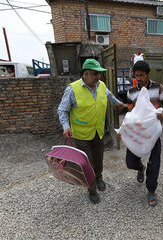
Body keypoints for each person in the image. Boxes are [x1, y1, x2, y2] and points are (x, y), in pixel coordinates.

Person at [57, 58, 124, 204]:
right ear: (86, 74)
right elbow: (62, 110)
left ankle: (99, 178)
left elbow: (110, 96)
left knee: (98, 158)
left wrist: (120, 104)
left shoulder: (101, 86)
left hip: (98, 132)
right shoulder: (72, 89)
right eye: (94, 74)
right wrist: (65, 126)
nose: (98, 76)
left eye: (99, 73)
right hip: (81, 135)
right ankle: (92, 189)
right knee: (87, 163)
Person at [124, 60, 163, 207]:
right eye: (136, 76)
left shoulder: (158, 87)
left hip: (153, 133)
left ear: (149, 74)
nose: (139, 78)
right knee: (130, 162)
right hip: (137, 133)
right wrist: (124, 129)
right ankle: (140, 168)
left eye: (142, 75)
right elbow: (130, 113)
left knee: (154, 163)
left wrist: (162, 111)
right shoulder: (131, 92)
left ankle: (151, 190)